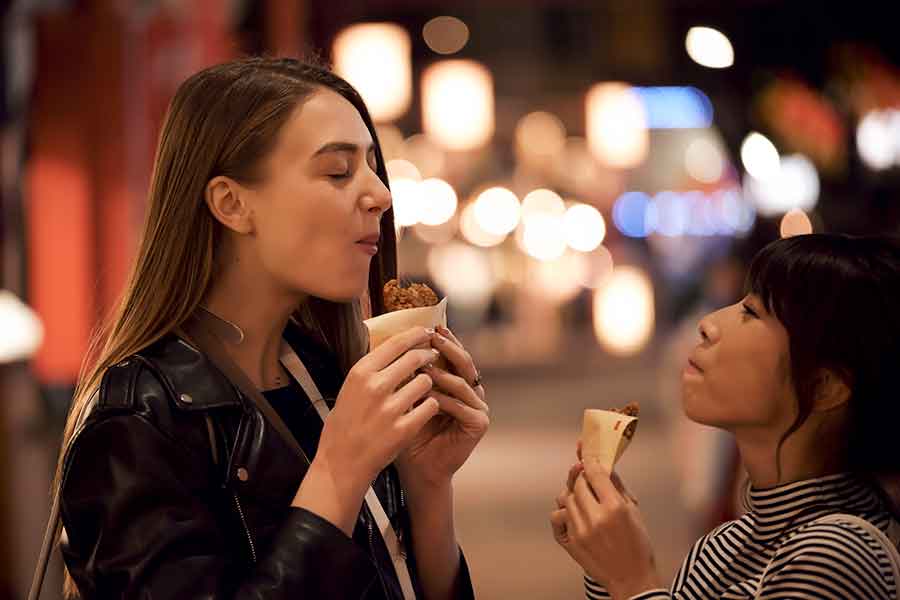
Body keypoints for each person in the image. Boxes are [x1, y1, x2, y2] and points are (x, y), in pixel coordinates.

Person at [54, 57, 489, 599]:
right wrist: (337, 476)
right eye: (338, 171)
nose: (380, 194)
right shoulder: (140, 418)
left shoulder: (325, 374)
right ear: (232, 203)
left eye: (374, 168)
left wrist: (427, 485)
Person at [551, 233, 900, 599]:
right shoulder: (722, 546)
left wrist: (632, 580)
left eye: (751, 312)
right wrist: (607, 566)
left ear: (824, 385)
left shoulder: (839, 556)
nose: (708, 323)